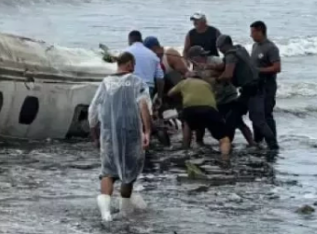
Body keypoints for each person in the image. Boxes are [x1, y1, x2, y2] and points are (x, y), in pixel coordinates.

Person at [88, 51, 153, 223]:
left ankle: (106, 214)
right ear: (130, 64)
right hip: (131, 134)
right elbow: (144, 107)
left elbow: (93, 111)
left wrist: (94, 133)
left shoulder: (106, 82)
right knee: (128, 172)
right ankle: (125, 211)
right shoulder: (138, 82)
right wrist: (147, 131)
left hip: (109, 134)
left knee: (108, 172)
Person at [217, 34, 278, 150]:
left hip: (253, 91)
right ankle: (230, 144)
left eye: (220, 48)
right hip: (250, 90)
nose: (219, 50)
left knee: (258, 120)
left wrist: (217, 79)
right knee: (233, 116)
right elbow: (223, 65)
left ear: (225, 46)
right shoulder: (239, 49)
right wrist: (209, 66)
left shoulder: (230, 55)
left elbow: (228, 74)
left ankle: (273, 145)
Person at [168, 75, 232, 161]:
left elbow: (170, 93)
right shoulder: (207, 84)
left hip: (189, 109)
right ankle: (225, 160)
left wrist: (181, 97)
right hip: (209, 109)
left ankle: (185, 153)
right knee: (224, 139)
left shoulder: (184, 82)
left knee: (187, 133)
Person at [250, 21, 281, 146]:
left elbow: (277, 68)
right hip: (256, 86)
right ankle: (257, 140)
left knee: (267, 114)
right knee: (256, 115)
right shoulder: (255, 46)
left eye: (252, 32)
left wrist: (258, 70)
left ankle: (272, 143)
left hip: (268, 85)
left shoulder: (271, 48)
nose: (251, 35)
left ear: (260, 31)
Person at [125, 30, 164, 101]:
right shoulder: (153, 55)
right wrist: (160, 97)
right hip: (147, 88)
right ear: (141, 40)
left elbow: (120, 74)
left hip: (130, 86)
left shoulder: (125, 52)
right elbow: (160, 79)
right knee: (145, 110)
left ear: (129, 40)